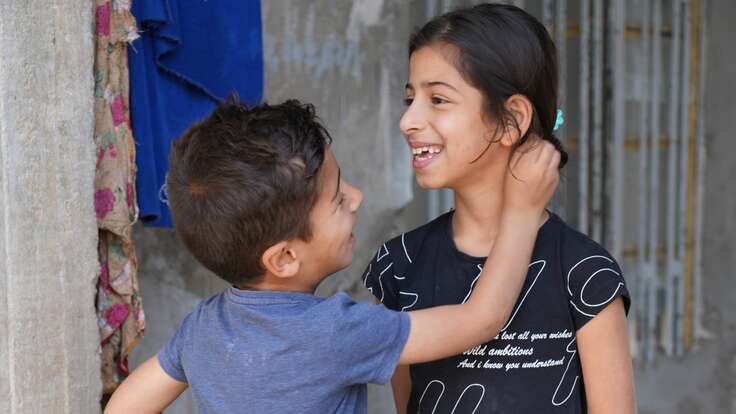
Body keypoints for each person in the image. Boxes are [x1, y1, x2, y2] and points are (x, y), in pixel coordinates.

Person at [103, 98, 560, 413]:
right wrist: (521, 211)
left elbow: (126, 405)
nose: (358, 197)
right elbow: (480, 321)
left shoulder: (201, 328)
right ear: (283, 259)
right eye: (339, 199)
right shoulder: (336, 332)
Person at [363, 4, 635, 413]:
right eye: (410, 98)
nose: (408, 120)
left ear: (511, 121)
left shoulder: (583, 272)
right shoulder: (399, 266)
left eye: (437, 99)